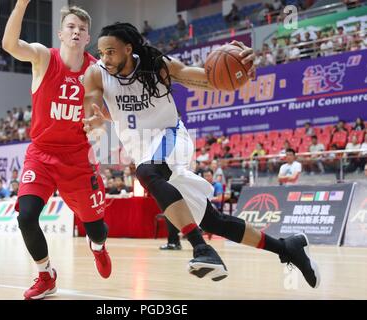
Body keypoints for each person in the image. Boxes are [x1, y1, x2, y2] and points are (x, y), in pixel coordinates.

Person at [82, 22, 320, 288]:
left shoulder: (156, 65)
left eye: (111, 51)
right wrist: (93, 118)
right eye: (102, 53)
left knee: (147, 172)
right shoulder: (97, 73)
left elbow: (207, 78)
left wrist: (241, 70)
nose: (105, 58)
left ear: (128, 48)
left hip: (171, 137)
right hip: (144, 154)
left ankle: (202, 249)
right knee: (211, 219)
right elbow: (91, 103)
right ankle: (288, 248)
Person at [2, 2, 112, 300]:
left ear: (88, 38)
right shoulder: (42, 57)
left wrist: (103, 120)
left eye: (82, 29)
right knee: (26, 217)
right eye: (71, 27)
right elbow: (10, 44)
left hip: (78, 157)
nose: (76, 32)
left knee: (97, 229)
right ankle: (46, 275)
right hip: (41, 154)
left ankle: (98, 247)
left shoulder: (96, 71)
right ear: (61, 34)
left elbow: (110, 113)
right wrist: (22, 4)